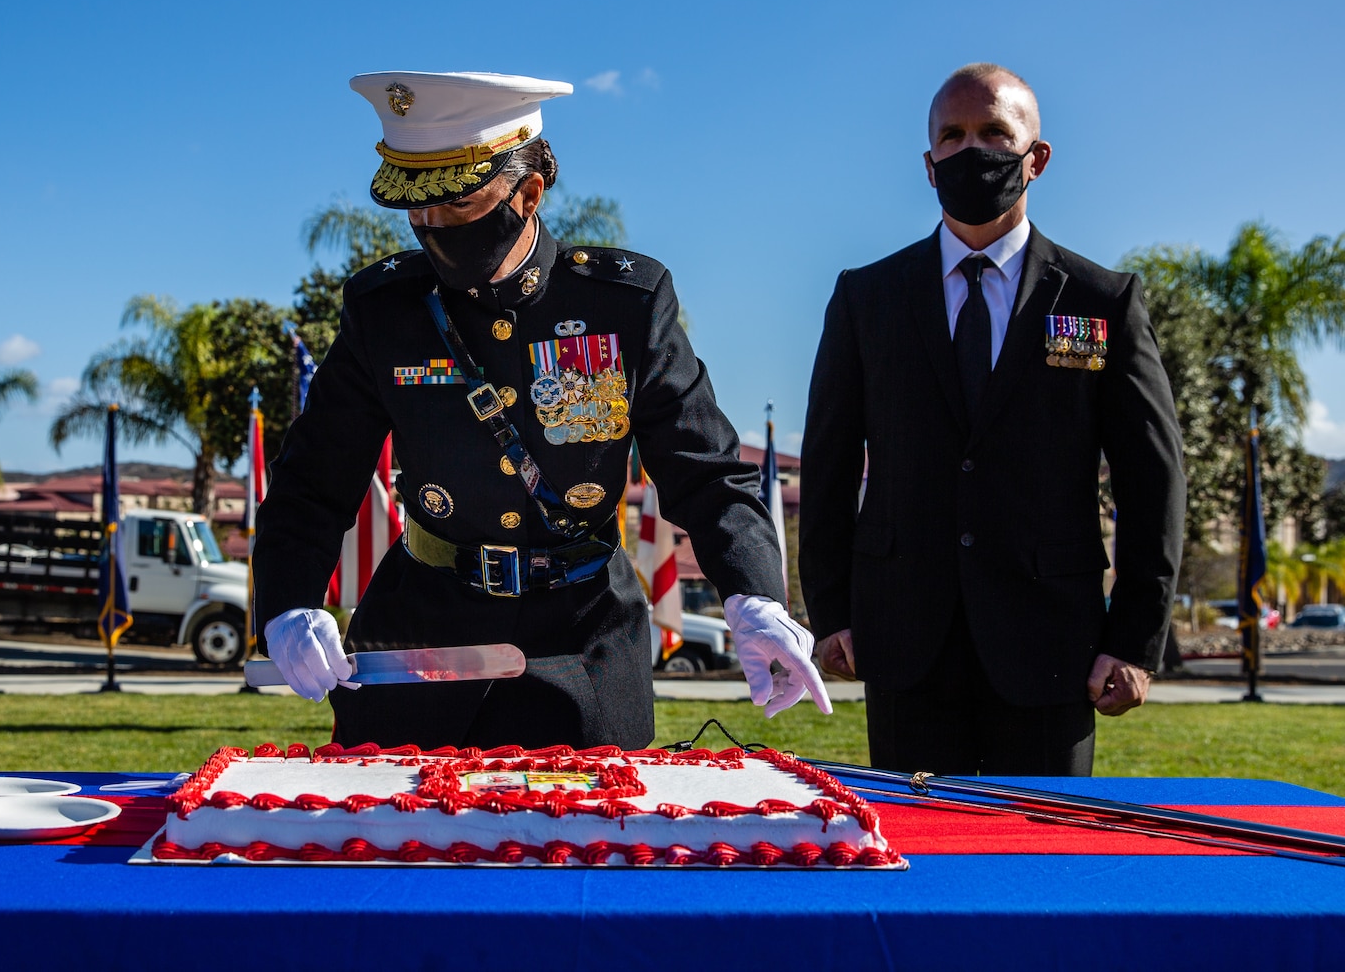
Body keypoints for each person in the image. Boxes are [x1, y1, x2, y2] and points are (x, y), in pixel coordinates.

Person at [254, 71, 829, 750]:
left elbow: (704, 467)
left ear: (528, 192)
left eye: (457, 205)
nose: (432, 228)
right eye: (417, 209)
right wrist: (289, 602)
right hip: (422, 640)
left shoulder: (624, 304)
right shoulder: (385, 312)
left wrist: (753, 593)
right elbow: (314, 479)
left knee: (587, 848)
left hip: (580, 645)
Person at [799, 63, 1185, 776]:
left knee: (1041, 866)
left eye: (994, 133)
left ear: (1035, 158)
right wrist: (831, 611)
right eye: (953, 135)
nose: (971, 149)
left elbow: (1153, 481)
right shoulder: (865, 299)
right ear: (928, 163)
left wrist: (1134, 640)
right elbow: (826, 467)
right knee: (916, 861)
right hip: (904, 641)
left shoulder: (1103, 301)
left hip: (1051, 644)